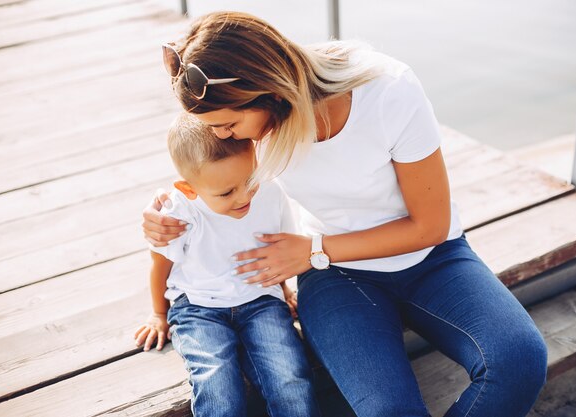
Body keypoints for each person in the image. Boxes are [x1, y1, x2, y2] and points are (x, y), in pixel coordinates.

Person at [143, 11, 548, 417]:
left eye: (228, 125)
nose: (222, 137)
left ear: (269, 90)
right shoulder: (251, 124)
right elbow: (206, 166)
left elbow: (431, 226)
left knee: (518, 360)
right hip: (337, 278)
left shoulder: (387, 90)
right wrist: (167, 209)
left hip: (430, 259)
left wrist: (314, 250)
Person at [134, 112, 320, 417]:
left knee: (289, 377)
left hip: (261, 301)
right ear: (189, 189)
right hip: (198, 307)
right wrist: (158, 314)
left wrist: (284, 290)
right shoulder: (179, 211)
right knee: (217, 381)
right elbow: (160, 263)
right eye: (226, 192)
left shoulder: (271, 193)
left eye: (250, 179)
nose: (244, 195)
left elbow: (277, 244)